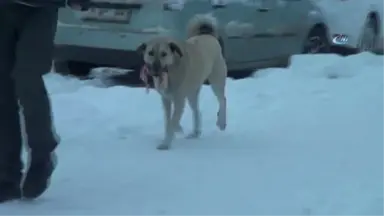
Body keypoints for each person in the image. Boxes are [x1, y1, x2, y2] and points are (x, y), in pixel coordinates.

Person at [0, 0, 89, 203]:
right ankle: (7, 175)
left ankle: (42, 153)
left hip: (39, 9)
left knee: (26, 78)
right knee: (2, 91)